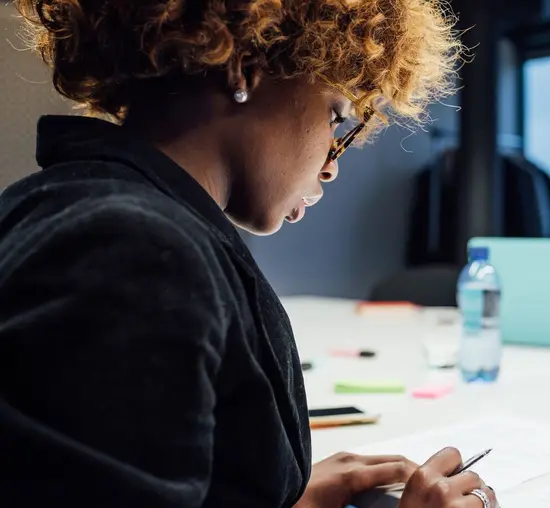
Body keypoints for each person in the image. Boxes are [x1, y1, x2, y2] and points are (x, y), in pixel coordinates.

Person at [0, 1, 497, 507]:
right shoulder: (133, 251)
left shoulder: (94, 212)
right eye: (336, 117)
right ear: (246, 70)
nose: (331, 167)